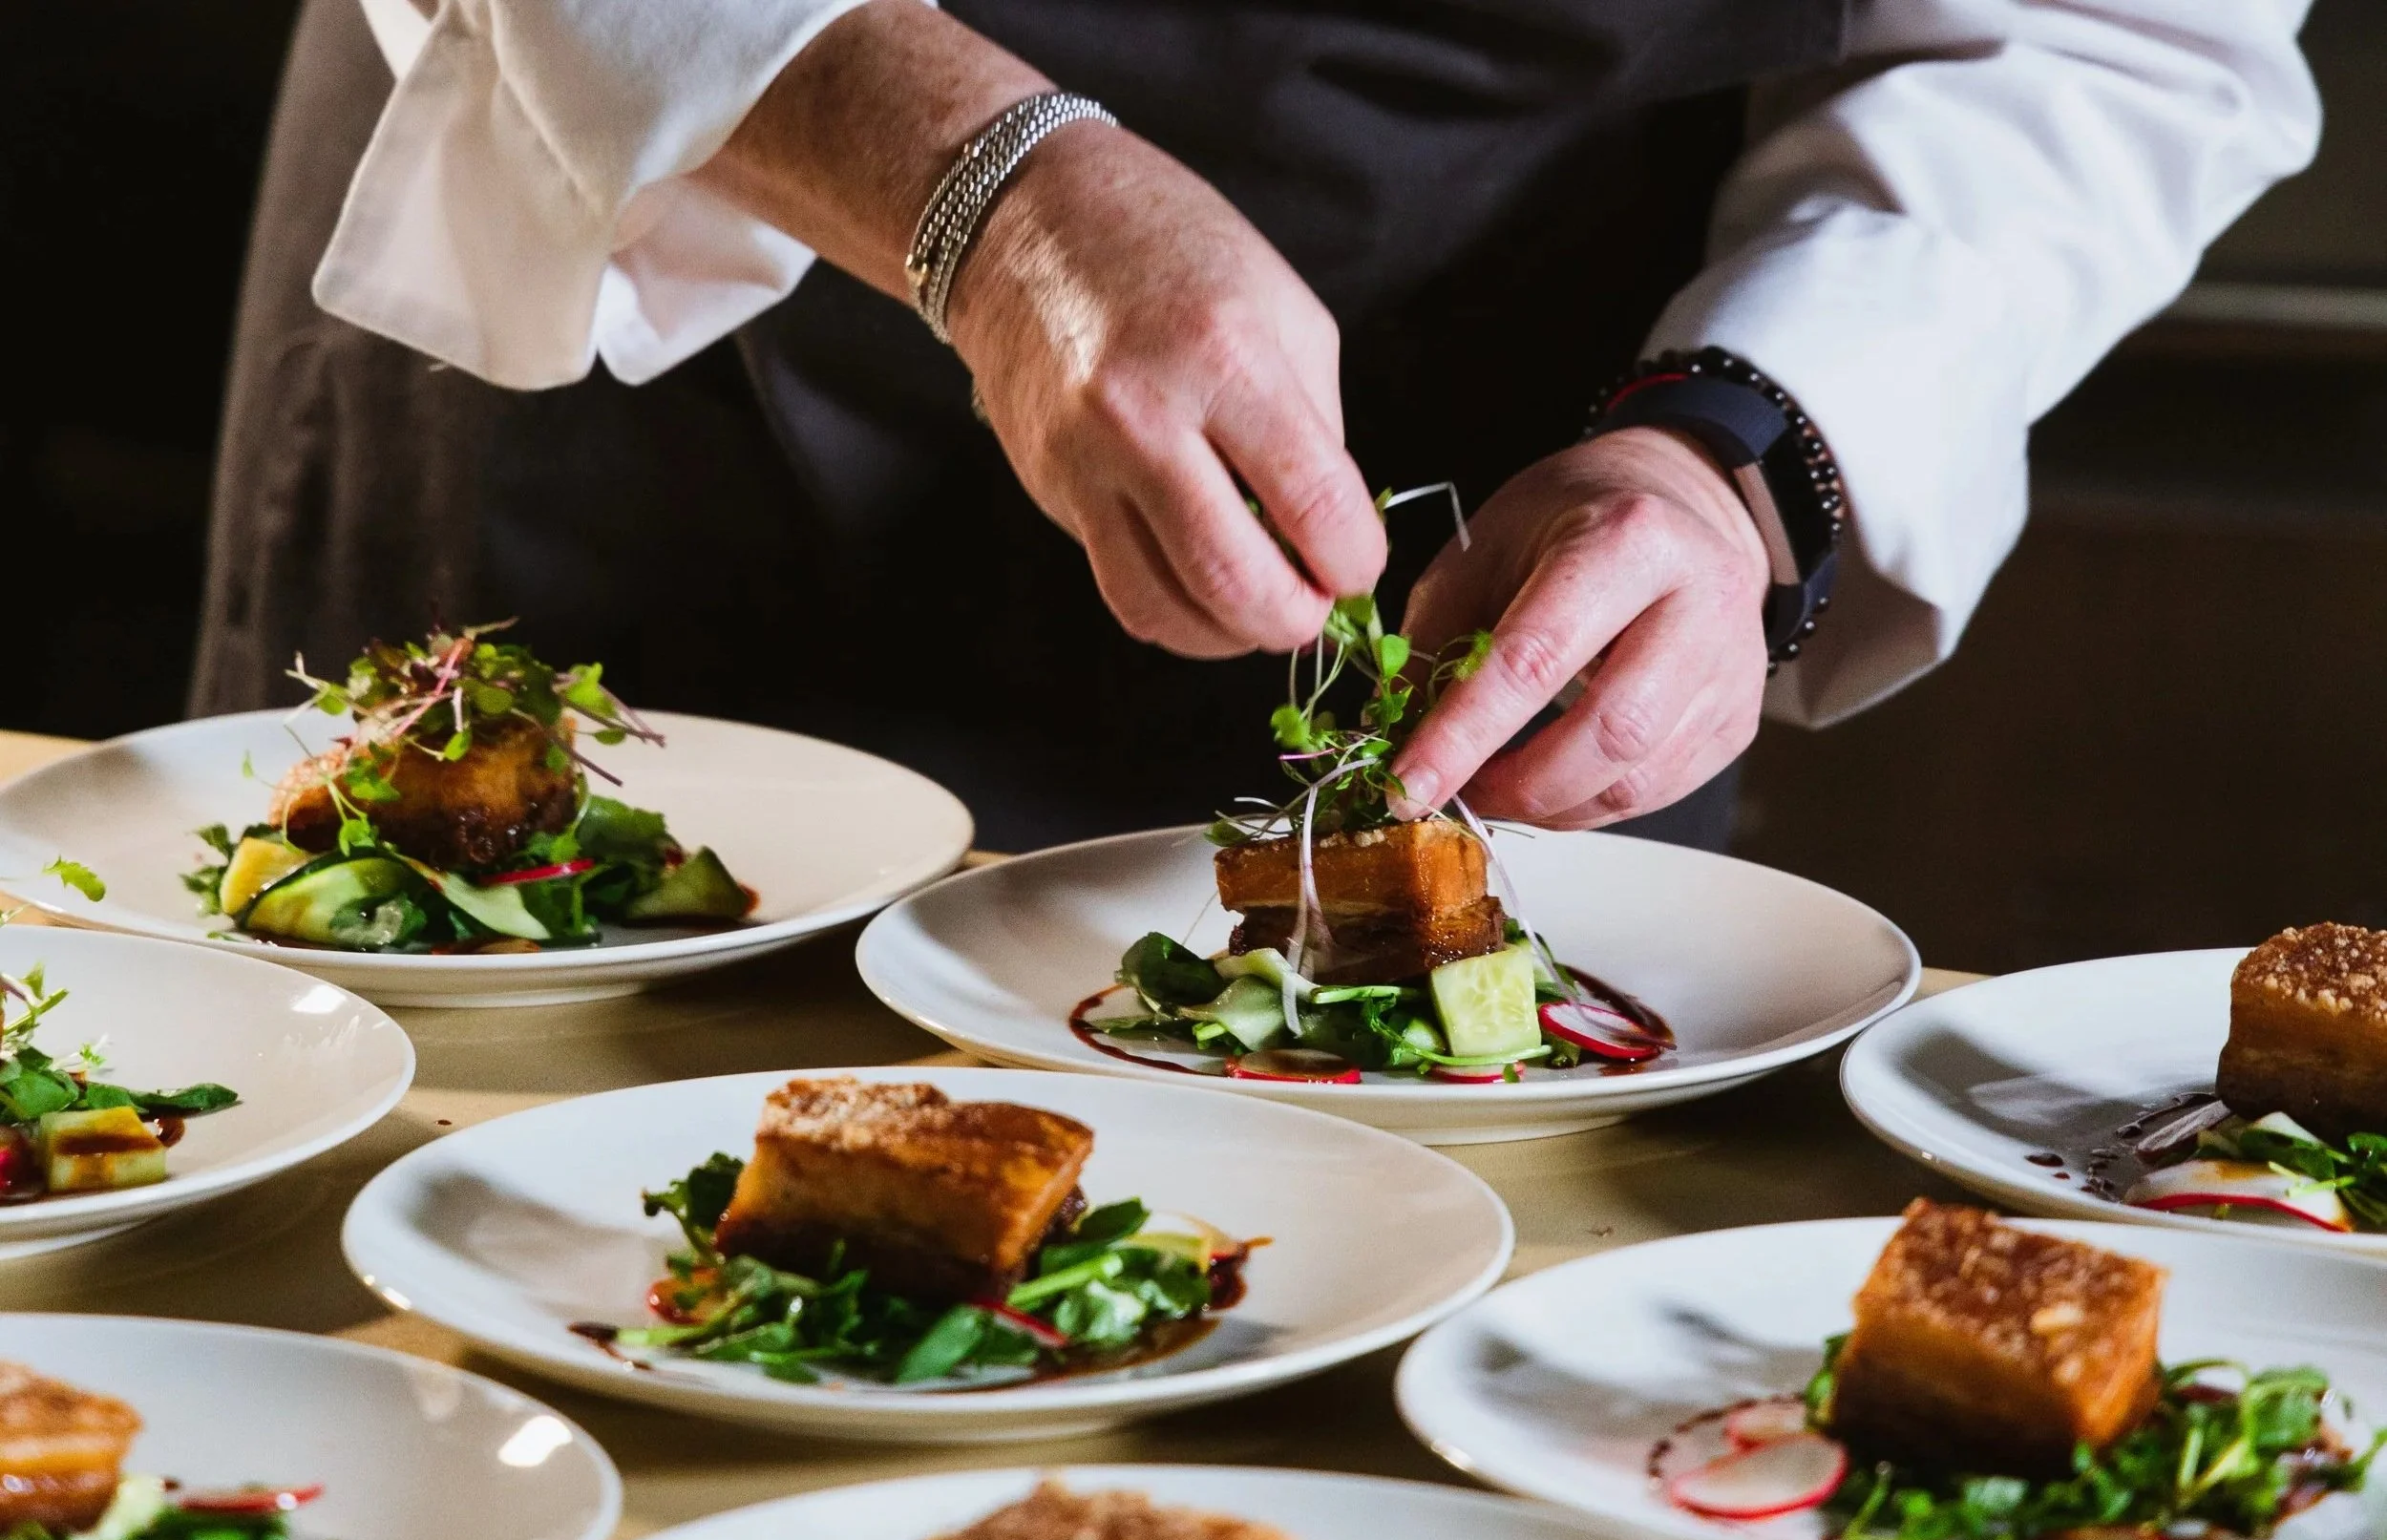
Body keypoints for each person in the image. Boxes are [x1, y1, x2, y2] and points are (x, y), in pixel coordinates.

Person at [194, 0, 2318, 850]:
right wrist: (978, 190)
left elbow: (2105, 27)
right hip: (645, 263)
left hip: (1534, 423)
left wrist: (1738, 443)